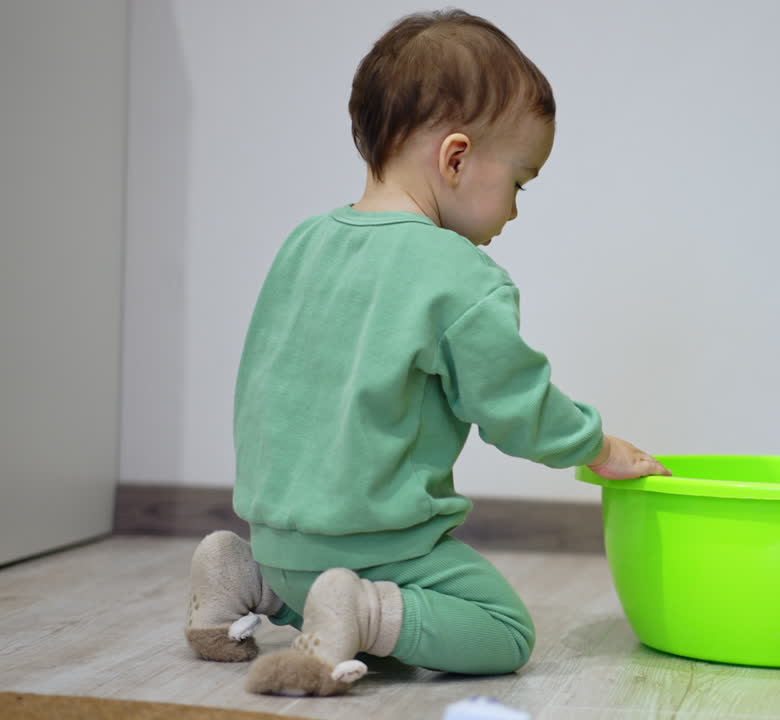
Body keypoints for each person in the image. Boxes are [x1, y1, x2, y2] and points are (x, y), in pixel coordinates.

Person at [182, 9, 669, 696]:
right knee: (504, 629)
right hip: (378, 551)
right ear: (457, 158)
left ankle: (243, 579)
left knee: (306, 578)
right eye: (521, 182)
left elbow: (266, 380)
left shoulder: (303, 242)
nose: (517, 210)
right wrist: (597, 445)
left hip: (274, 535)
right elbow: (513, 404)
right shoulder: (456, 274)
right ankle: (365, 608)